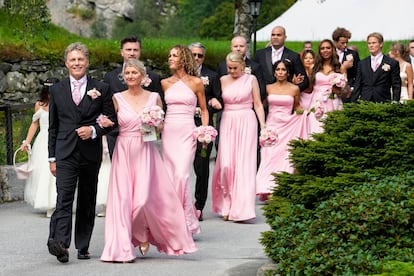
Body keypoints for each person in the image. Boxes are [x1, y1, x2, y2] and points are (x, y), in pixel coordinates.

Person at [101, 59, 197, 263]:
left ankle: (143, 234)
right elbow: (108, 122)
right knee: (124, 201)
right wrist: (104, 123)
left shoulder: (154, 98)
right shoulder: (116, 98)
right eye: (127, 73)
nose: (130, 76)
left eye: (134, 73)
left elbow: (163, 127)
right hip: (124, 151)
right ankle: (124, 246)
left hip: (146, 151)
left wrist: (155, 123)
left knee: (143, 199)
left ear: (143, 76)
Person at [47, 42, 117, 263]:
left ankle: (83, 245)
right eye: (72, 60)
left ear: (87, 62)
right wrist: (52, 158)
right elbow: (53, 126)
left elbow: (111, 121)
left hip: (89, 153)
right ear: (66, 63)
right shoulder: (56, 90)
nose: (77, 63)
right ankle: (61, 244)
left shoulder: (102, 88)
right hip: (65, 152)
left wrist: (94, 130)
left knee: (87, 199)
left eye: (80, 59)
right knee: (64, 198)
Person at [211, 51, 265, 222]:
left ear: (243, 65)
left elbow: (257, 103)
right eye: (229, 68)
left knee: (244, 165)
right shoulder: (222, 80)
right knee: (226, 165)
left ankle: (242, 208)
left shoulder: (251, 79)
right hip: (228, 121)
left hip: (247, 121)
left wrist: (263, 126)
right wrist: (213, 101)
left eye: (235, 68)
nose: (232, 71)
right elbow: (214, 98)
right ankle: (226, 203)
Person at [161, 45, 208, 235]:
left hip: (188, 132)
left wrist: (204, 130)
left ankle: (186, 222)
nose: (170, 58)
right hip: (169, 132)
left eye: (174, 55)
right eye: (169, 54)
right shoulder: (165, 83)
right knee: (171, 178)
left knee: (182, 175)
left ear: (184, 59)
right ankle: (172, 222)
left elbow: (204, 110)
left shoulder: (196, 83)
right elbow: (159, 108)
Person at [256, 60, 309, 201]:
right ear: (274, 72)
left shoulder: (294, 89)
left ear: (288, 72)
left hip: (288, 126)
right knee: (268, 157)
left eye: (283, 70)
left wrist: (308, 111)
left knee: (284, 158)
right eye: (278, 69)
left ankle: (279, 188)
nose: (280, 72)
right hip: (272, 126)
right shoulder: (268, 88)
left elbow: (297, 107)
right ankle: (265, 187)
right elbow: (260, 105)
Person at [104, 35, 162, 158]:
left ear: (140, 52)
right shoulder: (110, 77)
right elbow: (106, 108)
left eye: (135, 50)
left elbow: (160, 110)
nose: (132, 53)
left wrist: (154, 127)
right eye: (128, 50)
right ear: (121, 52)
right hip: (116, 135)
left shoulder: (154, 78)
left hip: (145, 136)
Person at [188, 42, 221, 221]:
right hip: (184, 124)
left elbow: (218, 97)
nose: (196, 58)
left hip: (204, 125)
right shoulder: (180, 75)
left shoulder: (211, 75)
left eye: (200, 55)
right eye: (193, 54)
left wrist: (211, 104)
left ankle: (199, 204)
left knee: (201, 165)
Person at [21, 77, 59, 218]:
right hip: (43, 140)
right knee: (43, 172)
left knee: (56, 172)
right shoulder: (39, 104)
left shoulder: (62, 103)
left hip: (57, 140)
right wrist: (27, 141)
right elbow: (34, 124)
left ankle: (56, 202)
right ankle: (47, 203)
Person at [308, 39, 346, 134]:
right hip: (317, 102)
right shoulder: (313, 67)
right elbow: (309, 88)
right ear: (319, 51)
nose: (325, 50)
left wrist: (337, 89)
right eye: (322, 48)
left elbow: (344, 91)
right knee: (316, 129)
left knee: (333, 129)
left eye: (328, 48)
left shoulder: (339, 67)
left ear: (333, 49)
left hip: (333, 100)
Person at [253, 26, 308, 91]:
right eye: (273, 35)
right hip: (263, 96)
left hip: (285, 96)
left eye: (278, 35)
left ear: (285, 37)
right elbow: (253, 75)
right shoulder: (259, 54)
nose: (275, 37)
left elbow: (304, 81)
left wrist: (292, 91)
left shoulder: (294, 56)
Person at [351, 32, 401, 103]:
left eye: (374, 43)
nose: (371, 45)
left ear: (381, 44)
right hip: (365, 101)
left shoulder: (392, 63)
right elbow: (357, 84)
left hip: (383, 100)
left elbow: (396, 84)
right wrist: (353, 103)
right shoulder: (362, 63)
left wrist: (395, 101)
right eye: (369, 43)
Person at [331, 27, 360, 102]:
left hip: (347, 88)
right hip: (331, 87)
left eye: (346, 42)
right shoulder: (330, 53)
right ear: (335, 41)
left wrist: (352, 87)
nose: (345, 45)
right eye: (342, 43)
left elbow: (357, 73)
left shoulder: (353, 54)